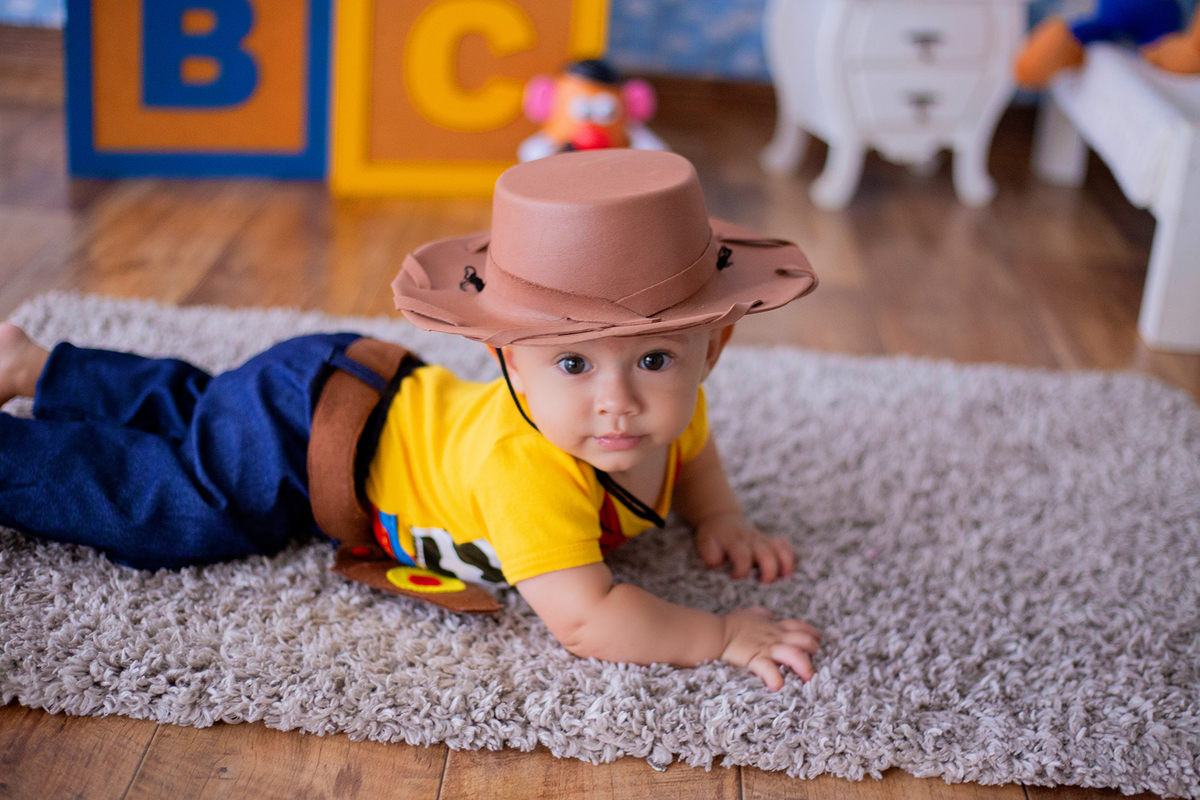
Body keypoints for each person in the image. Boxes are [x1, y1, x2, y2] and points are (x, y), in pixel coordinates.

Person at [0, 149, 821, 690]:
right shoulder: (527, 470)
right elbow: (587, 618)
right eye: (572, 363)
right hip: (311, 440)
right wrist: (717, 636)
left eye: (653, 359)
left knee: (206, 413)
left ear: (710, 351)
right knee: (183, 503)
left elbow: (698, 453)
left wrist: (723, 516)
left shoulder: (676, 413)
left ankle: (39, 368)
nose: (618, 400)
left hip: (346, 383)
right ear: (506, 359)